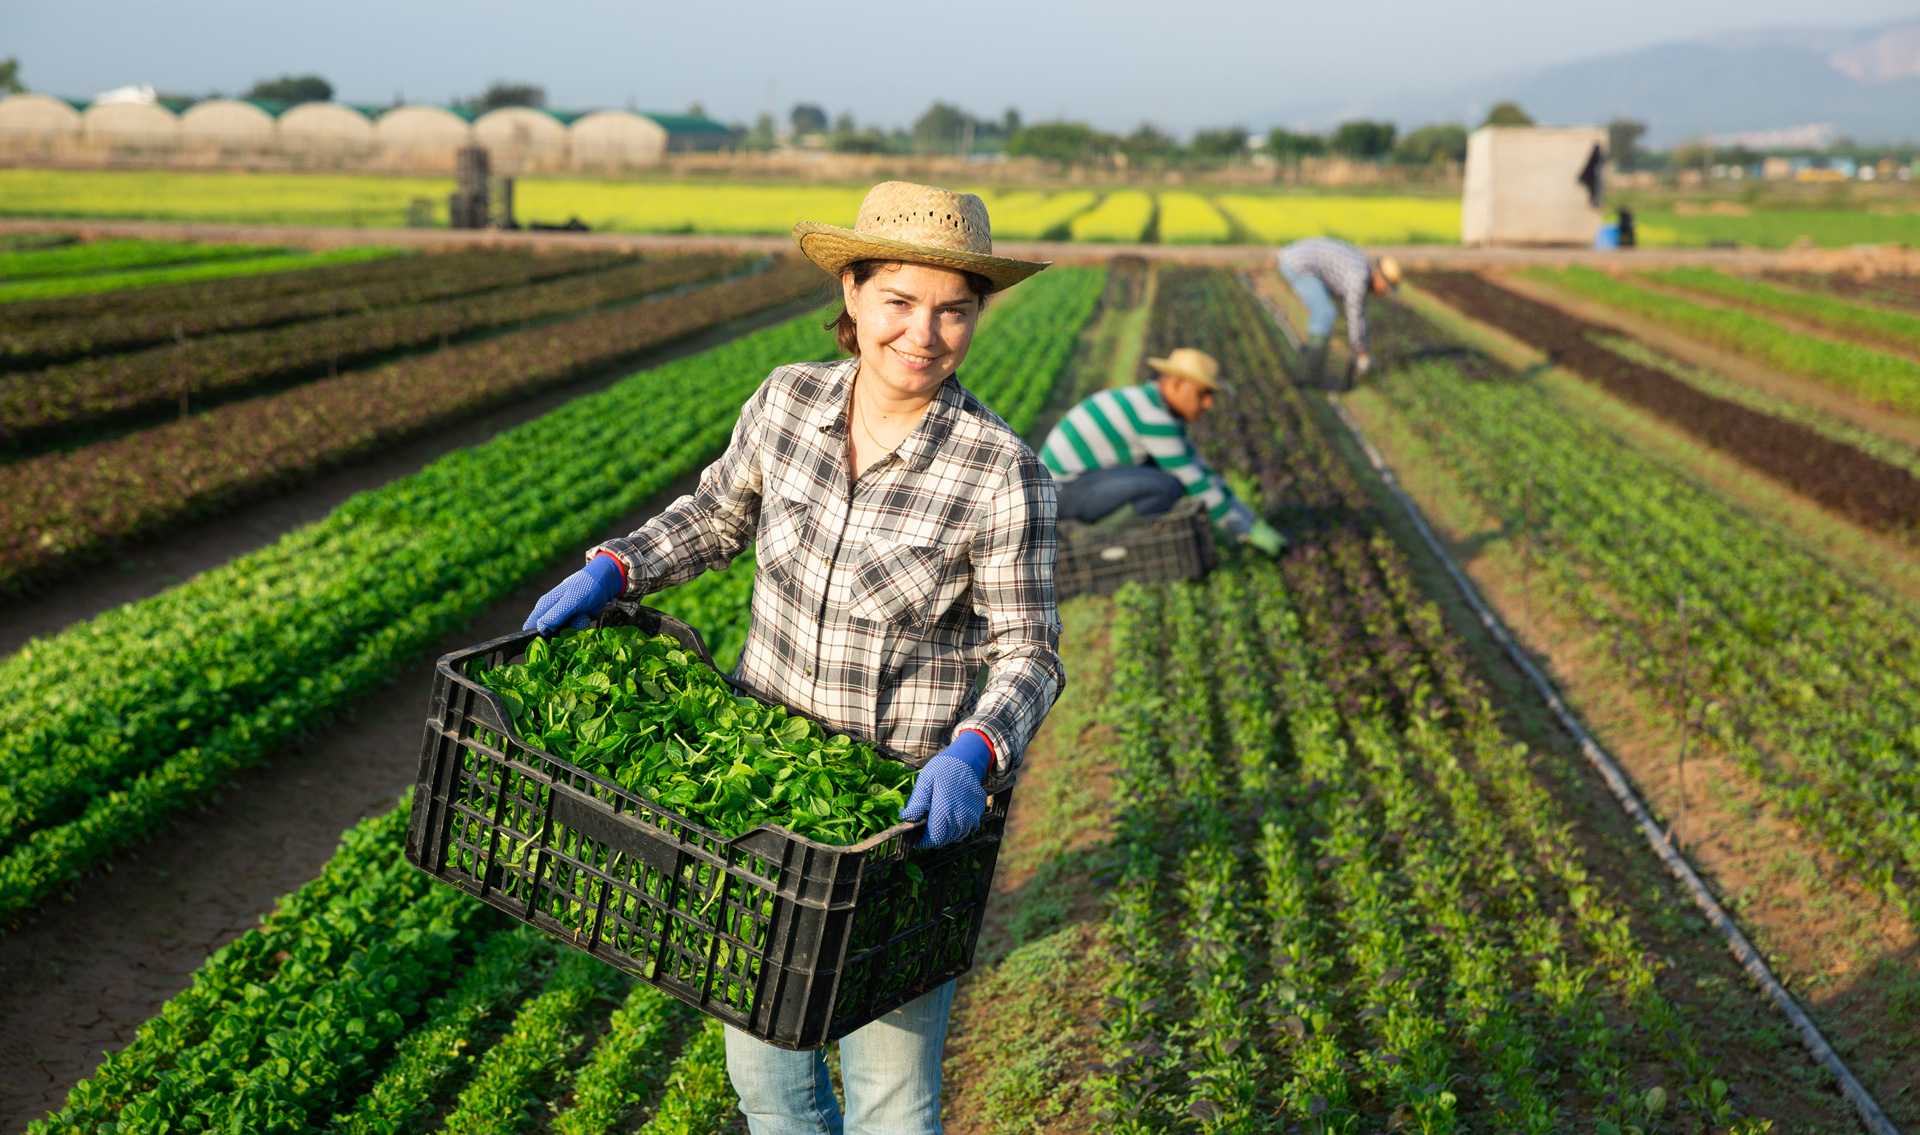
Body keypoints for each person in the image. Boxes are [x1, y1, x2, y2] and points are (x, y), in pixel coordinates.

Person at [520, 181, 1063, 1135]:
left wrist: (976, 748)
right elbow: (715, 516)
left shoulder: (999, 469)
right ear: (853, 294)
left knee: (893, 1103)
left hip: (893, 829)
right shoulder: (785, 401)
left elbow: (1030, 653)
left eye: (953, 310)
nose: (924, 334)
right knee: (769, 1085)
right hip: (760, 816)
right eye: (899, 301)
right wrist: (618, 567)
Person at [1038, 347, 1286, 556]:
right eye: (1203, 393)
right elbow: (1194, 483)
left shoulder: (1153, 406)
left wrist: (1252, 519)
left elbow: (1200, 471)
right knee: (1168, 486)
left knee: (1165, 476)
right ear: (1177, 384)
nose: (1208, 403)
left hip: (1066, 486)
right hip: (1059, 492)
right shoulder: (1154, 417)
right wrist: (1245, 531)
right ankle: (1095, 545)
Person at [1275, 236, 1400, 390]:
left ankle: (1310, 371)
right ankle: (1308, 376)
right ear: (1379, 278)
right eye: (1386, 288)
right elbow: (1355, 316)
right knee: (1325, 313)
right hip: (1297, 265)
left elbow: (1359, 313)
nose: (1384, 293)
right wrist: (1360, 352)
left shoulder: (1362, 268)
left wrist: (1362, 347)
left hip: (1298, 259)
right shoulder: (1359, 277)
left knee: (1325, 312)